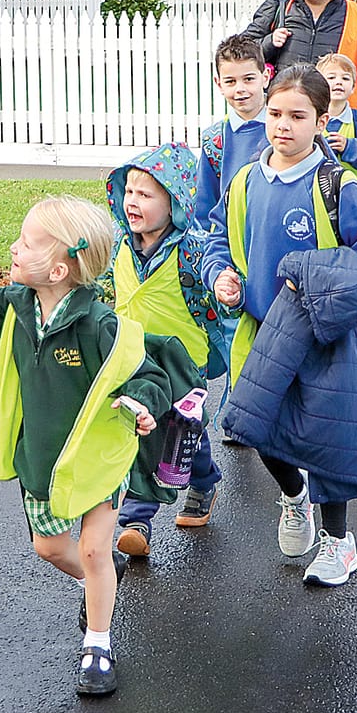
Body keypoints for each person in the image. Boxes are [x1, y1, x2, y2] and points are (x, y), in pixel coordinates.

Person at [0, 198, 191, 698]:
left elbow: (145, 371)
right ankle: (99, 584)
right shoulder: (17, 308)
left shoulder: (96, 325)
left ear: (60, 267)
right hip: (43, 460)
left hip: (97, 459)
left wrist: (140, 401)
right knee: (49, 547)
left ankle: (98, 643)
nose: (13, 248)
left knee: (93, 547)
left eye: (25, 243)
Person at [204, 65, 357, 586]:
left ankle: (339, 543)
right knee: (257, 428)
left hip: (322, 335)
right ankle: (294, 498)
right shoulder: (246, 180)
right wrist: (221, 272)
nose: (283, 125)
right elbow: (218, 237)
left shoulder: (340, 185)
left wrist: (311, 281)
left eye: (297, 116)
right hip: (260, 332)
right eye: (275, 113)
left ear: (321, 118)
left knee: (328, 441)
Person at [103, 145, 227, 554]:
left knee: (183, 431)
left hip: (181, 362)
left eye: (146, 194)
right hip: (133, 357)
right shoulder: (120, 245)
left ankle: (203, 480)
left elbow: (214, 294)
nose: (133, 202)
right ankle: (136, 520)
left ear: (175, 202)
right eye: (130, 192)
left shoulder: (189, 250)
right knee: (144, 432)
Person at [193, 35, 272, 227]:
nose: (240, 89)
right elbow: (205, 204)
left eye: (248, 79)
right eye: (230, 81)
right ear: (218, 83)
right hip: (230, 240)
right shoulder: (214, 140)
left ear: (265, 77)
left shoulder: (284, 128)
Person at [316, 52, 357, 176]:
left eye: (345, 78)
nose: (338, 82)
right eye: (331, 77)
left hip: (355, 190)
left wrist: (349, 147)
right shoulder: (310, 120)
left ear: (353, 87)